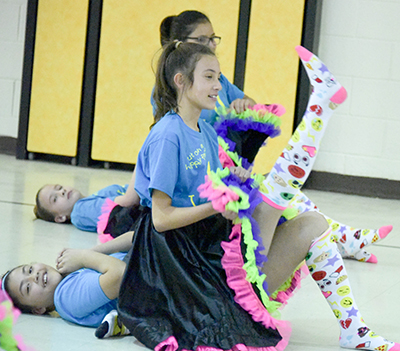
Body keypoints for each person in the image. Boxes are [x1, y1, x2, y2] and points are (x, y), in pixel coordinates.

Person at [112, 41, 399, 351]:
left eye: (219, 77)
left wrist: (232, 180)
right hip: (190, 268)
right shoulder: (167, 137)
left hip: (212, 244)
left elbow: (207, 189)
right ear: (181, 81)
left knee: (312, 224)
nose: (218, 85)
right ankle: (320, 106)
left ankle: (354, 330)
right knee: (278, 189)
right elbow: (161, 218)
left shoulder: (203, 131)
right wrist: (216, 204)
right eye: (209, 77)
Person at [0, 231, 133, 337]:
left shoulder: (70, 275)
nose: (34, 276)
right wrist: (83, 256)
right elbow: (121, 275)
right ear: (38, 309)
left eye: (29, 270)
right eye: (27, 288)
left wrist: (93, 252)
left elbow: (135, 237)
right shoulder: (65, 297)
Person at [33, 170, 140, 234]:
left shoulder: (90, 200)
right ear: (60, 218)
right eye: (55, 199)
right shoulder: (80, 211)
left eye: (59, 187)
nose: (62, 192)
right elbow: (128, 201)